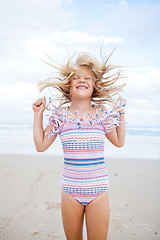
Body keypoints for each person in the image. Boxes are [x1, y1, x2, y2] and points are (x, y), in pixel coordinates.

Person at [32, 50, 126, 240]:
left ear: (94, 86)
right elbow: (41, 145)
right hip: (70, 190)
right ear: (68, 86)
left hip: (98, 189)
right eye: (76, 78)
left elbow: (119, 141)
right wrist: (38, 114)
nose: (82, 80)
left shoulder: (102, 113)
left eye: (87, 78)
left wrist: (121, 114)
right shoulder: (60, 116)